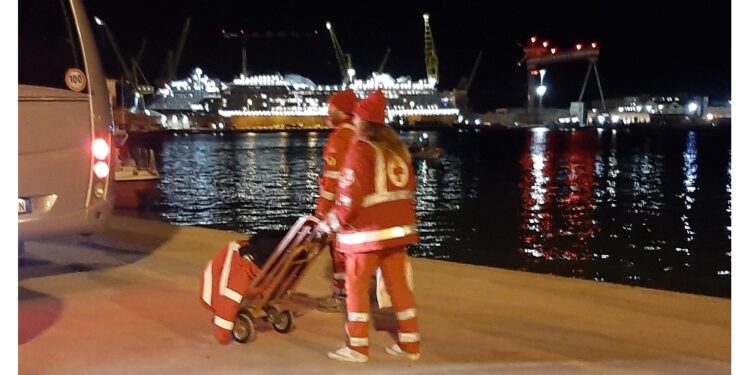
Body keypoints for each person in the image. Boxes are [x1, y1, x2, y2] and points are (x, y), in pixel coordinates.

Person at [318, 90, 421, 363]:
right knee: (399, 288)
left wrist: (331, 222)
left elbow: (350, 196)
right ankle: (411, 344)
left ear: (363, 122)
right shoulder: (398, 151)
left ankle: (358, 346)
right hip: (399, 233)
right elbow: (409, 189)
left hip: (366, 235)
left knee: (356, 289)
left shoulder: (361, 149)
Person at [315, 89, 358, 313]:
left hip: (341, 206)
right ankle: (355, 294)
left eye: (332, 106)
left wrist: (322, 210)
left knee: (339, 250)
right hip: (358, 204)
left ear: (342, 110)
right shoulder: (360, 133)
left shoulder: (340, 137)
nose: (328, 109)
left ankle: (342, 296)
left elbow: (332, 179)